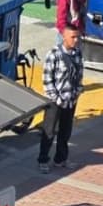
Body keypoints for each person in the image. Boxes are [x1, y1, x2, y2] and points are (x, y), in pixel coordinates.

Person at [38, 23, 84, 173]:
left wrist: (77, 92)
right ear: (64, 37)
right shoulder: (54, 54)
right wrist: (56, 99)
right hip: (55, 102)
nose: (76, 40)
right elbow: (47, 79)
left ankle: (61, 159)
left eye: (78, 37)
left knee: (66, 131)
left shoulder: (77, 53)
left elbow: (79, 75)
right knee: (49, 132)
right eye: (73, 37)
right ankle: (43, 160)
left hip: (71, 99)